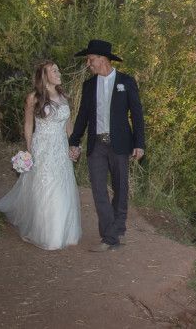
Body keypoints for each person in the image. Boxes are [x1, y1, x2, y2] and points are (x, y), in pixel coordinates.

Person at [0, 61, 82, 250]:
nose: (59, 72)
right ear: (44, 75)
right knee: (45, 188)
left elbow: (68, 125)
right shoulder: (33, 97)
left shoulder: (64, 96)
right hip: (43, 147)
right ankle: (47, 233)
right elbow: (28, 125)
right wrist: (29, 150)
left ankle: (63, 231)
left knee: (62, 187)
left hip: (60, 149)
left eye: (58, 69)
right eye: (54, 70)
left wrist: (74, 145)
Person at [68, 39, 145, 252]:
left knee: (121, 188)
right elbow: (83, 116)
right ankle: (109, 237)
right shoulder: (89, 85)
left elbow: (137, 115)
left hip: (120, 144)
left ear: (103, 59)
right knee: (98, 190)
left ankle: (118, 228)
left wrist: (140, 143)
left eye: (90, 60)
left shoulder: (126, 82)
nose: (88, 64)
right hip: (97, 145)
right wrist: (74, 141)